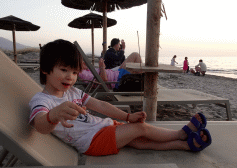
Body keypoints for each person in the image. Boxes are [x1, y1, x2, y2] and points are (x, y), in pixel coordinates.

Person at [29, 39, 212, 156]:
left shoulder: (73, 92)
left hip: (103, 128)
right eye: (64, 70)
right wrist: (53, 116)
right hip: (93, 142)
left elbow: (99, 104)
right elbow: (40, 125)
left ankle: (185, 145)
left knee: (139, 142)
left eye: (75, 72)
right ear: (46, 69)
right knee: (140, 128)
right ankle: (180, 134)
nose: (71, 77)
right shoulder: (42, 101)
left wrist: (126, 117)